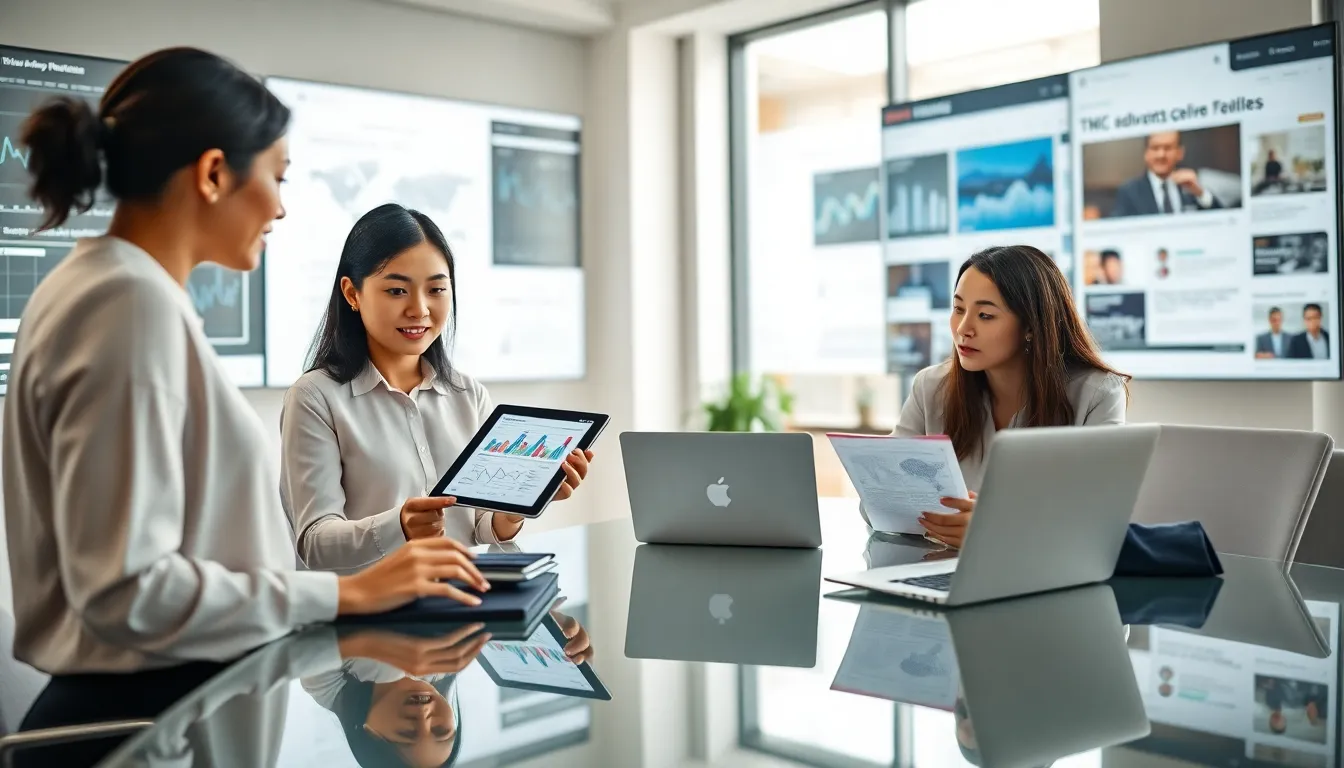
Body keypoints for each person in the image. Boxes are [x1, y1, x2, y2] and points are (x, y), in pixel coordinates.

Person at [4, 47, 492, 732]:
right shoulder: (126, 307)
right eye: (277, 178)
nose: (282, 209)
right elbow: (126, 592)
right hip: (140, 723)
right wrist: (345, 595)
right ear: (212, 174)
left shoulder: (114, 292)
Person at [280, 203, 594, 572]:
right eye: (397, 291)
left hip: (463, 607)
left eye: (436, 289)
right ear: (352, 293)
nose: (420, 309)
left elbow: (478, 527)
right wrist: (398, 525)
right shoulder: (315, 397)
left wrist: (521, 502)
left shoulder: (468, 395)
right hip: (367, 616)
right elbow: (315, 543)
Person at [888, 245, 1130, 548]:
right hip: (936, 569)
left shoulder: (1096, 393)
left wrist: (999, 527)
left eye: (985, 315)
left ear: (1030, 326)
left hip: (1044, 579)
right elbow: (878, 500)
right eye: (959, 309)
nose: (964, 329)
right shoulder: (931, 387)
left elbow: (1100, 519)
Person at [1110, 131, 1223, 217]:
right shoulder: (1130, 191)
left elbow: (1223, 218)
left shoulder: (1191, 186)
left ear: (1180, 153)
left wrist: (1200, 193)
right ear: (1146, 153)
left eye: (1168, 148)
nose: (1161, 155)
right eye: (1155, 148)